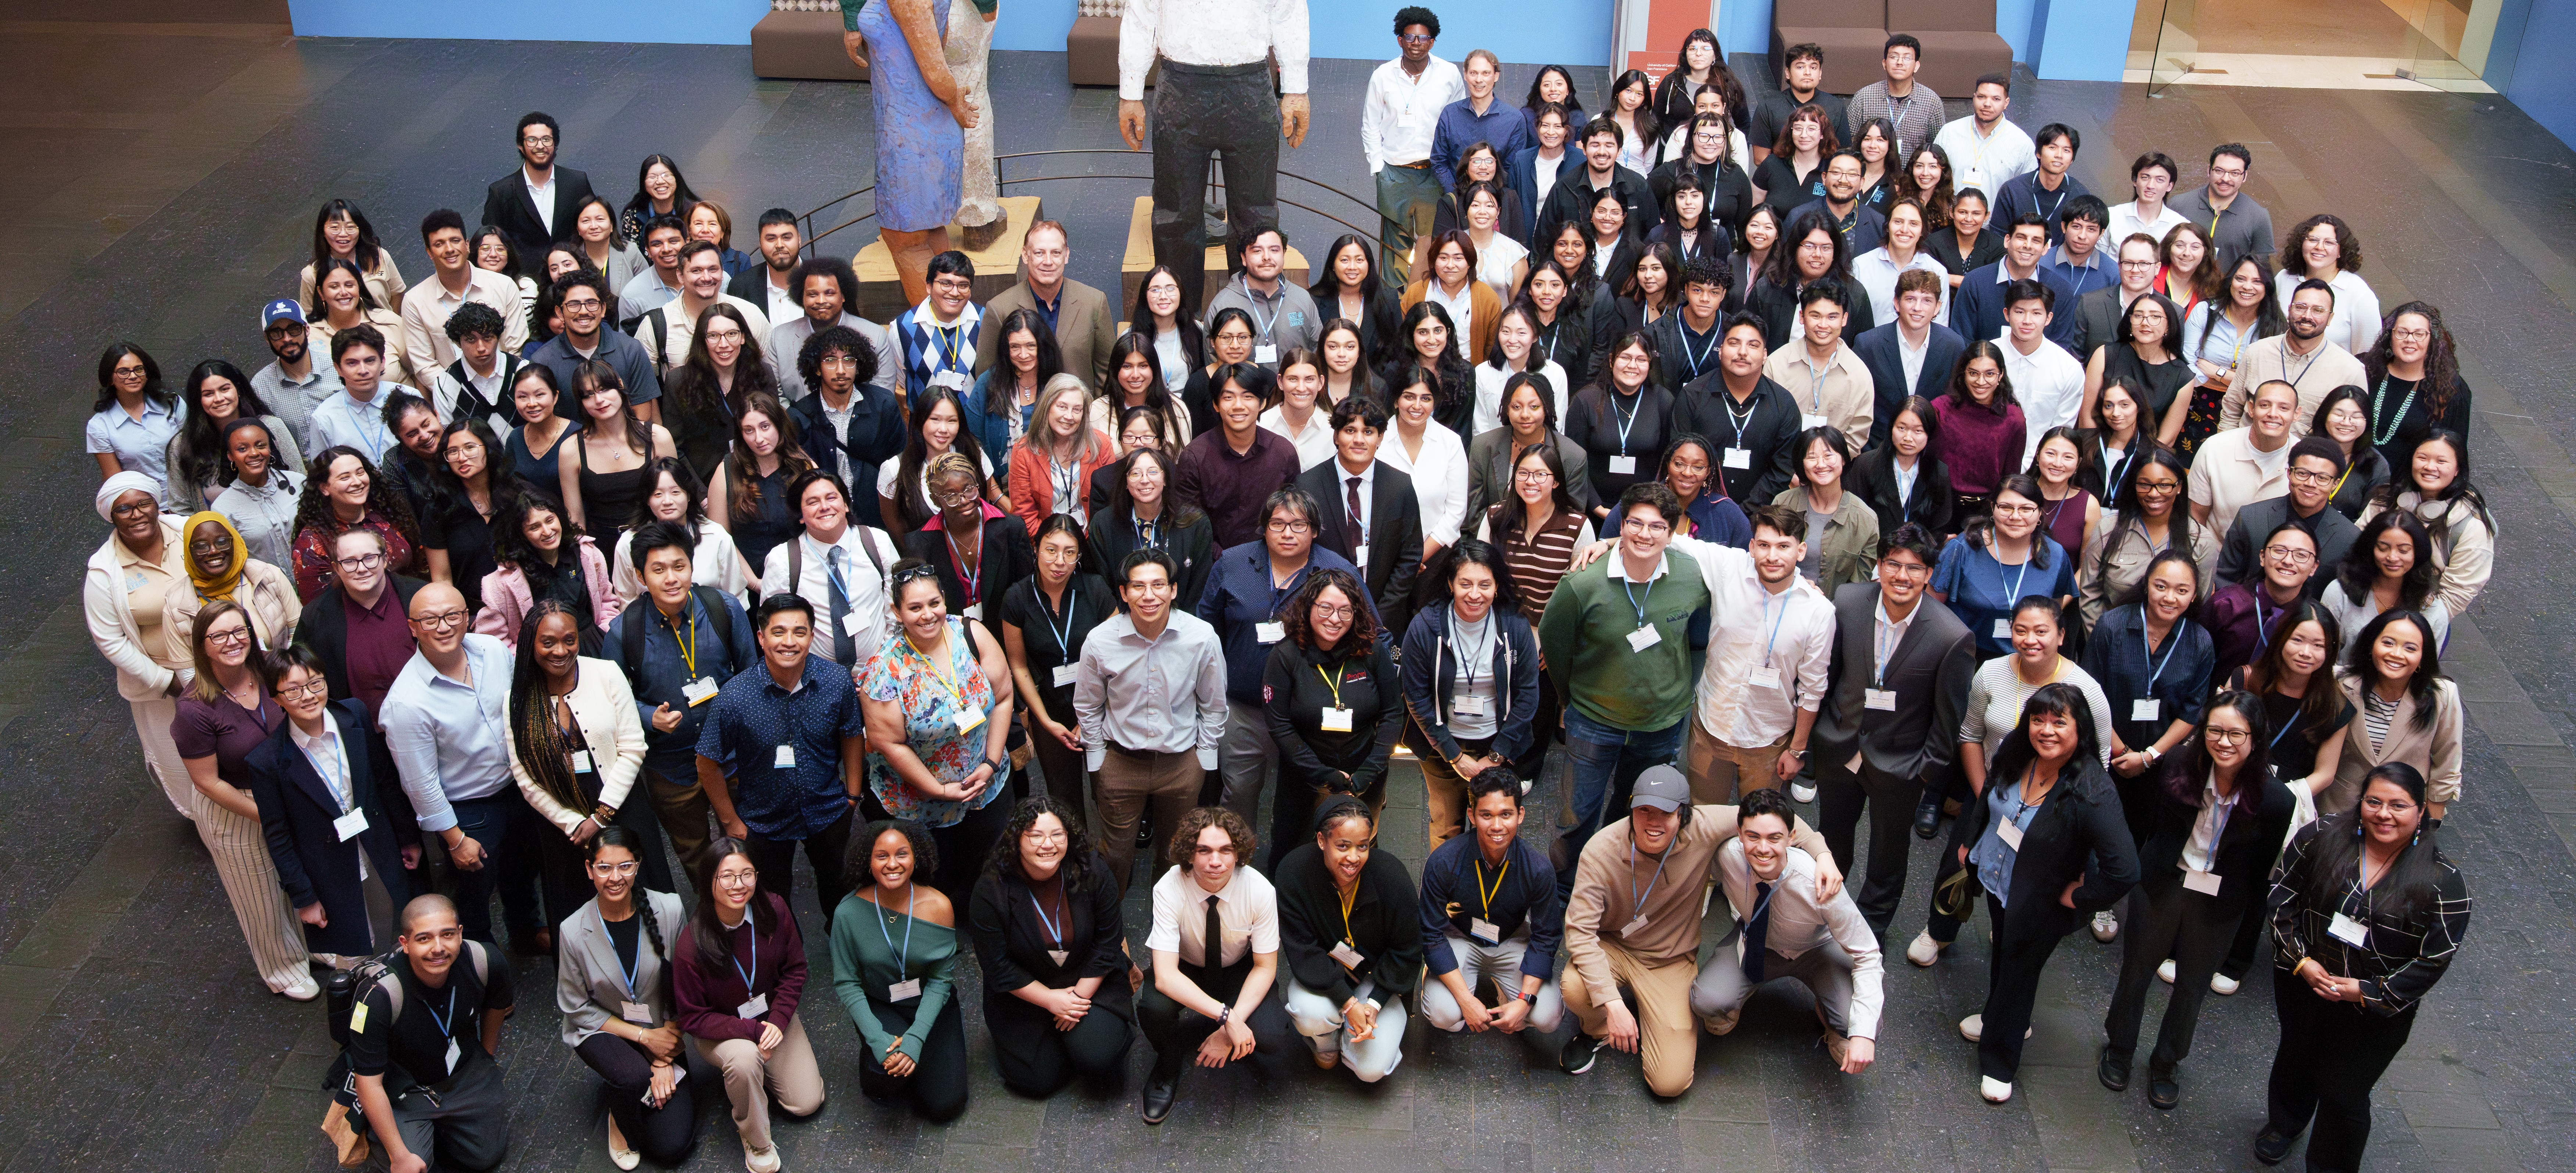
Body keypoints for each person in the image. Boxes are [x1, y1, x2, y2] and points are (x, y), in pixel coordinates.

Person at [1556, 765, 1839, 1093]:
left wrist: (1823, 855)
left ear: (1684, 814)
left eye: (1665, 813)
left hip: (1669, 961)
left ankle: (1647, 1019)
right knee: (1576, 987)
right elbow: (1579, 932)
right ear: (1631, 808)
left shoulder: (1704, 826)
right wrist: (1613, 1004)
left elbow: (1776, 819)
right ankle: (1597, 1030)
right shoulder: (1601, 850)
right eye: (1643, 810)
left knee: (1670, 1085)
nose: (1653, 822)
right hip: (1613, 947)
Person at [2257, 762, 2470, 1169]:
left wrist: (2369, 992)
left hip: (2373, 1010)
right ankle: (2285, 1123)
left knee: (2344, 1094)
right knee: (2297, 1054)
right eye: (2374, 801)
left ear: (2422, 812)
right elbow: (2282, 894)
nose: (2383, 814)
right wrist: (2299, 960)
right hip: (2306, 982)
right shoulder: (2321, 836)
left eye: (2398, 805)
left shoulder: (2443, 883)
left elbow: (2433, 959)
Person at [1935, 684, 2139, 1103]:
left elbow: (2126, 870)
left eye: (2059, 722)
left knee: (2020, 970)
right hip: (1997, 877)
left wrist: (2078, 898)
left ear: (2081, 730)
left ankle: (2000, 1058)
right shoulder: (2018, 746)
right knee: (2007, 956)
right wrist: (1971, 839)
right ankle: (1999, 1016)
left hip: (2041, 901)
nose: (2046, 730)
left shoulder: (2092, 789)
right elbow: (1991, 788)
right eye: (2039, 719)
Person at [2097, 692, 2295, 1110]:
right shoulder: (2175, 768)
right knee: (2136, 971)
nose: (2223, 742)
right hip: (2164, 882)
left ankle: (2167, 1062)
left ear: (2256, 740)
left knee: (2192, 987)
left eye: (2236, 734)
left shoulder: (2276, 800)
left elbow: (2261, 868)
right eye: (2215, 730)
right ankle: (2119, 1048)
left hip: (2219, 899)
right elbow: (2153, 825)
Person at [1807, 522, 1976, 925]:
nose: (1903, 576)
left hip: (1901, 766)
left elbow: (1947, 720)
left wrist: (1923, 774)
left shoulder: (1952, 636)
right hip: (1841, 748)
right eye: (1893, 564)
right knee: (1831, 843)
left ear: (1929, 574)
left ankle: (1870, 937)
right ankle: (1820, 919)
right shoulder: (1847, 602)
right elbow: (1828, 676)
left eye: (1915, 568)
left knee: (1886, 860)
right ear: (1878, 566)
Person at [1537, 482, 1710, 860]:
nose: (1644, 534)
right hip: (1595, 721)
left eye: (1656, 527)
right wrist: (1571, 700)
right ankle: (1566, 890)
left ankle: (1618, 877)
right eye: (1635, 523)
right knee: (1576, 815)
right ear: (1622, 523)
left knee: (1637, 811)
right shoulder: (1584, 581)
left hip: (1661, 725)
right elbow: (1554, 642)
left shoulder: (1693, 576)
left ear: (1671, 532)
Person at [379, 582, 540, 949]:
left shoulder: (493, 651)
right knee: (474, 896)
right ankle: (483, 967)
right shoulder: (406, 702)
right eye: (430, 619)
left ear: (467, 618)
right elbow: (420, 783)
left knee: (522, 871)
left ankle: (526, 933)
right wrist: (454, 840)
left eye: (453, 615)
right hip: (470, 812)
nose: (443, 626)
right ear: (412, 627)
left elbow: (522, 703)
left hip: (518, 788)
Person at [1115, 0, 1311, 299]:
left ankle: (1254, 311)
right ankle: (1178, 318)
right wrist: (1130, 92)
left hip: (1250, 87)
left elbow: (1289, 13)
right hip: (1180, 88)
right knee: (1175, 215)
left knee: (1256, 213)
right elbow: (1141, 15)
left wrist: (1296, 89)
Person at [170, 600, 316, 997]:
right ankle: (283, 968)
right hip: (236, 804)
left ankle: (315, 945)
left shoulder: (271, 668)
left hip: (291, 788)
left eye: (239, 631)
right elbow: (207, 783)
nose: (232, 641)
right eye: (218, 636)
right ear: (203, 646)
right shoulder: (194, 708)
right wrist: (270, 816)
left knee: (308, 870)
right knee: (261, 893)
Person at [602, 521, 759, 888]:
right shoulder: (624, 631)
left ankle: (750, 914)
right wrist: (647, 717)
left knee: (746, 844)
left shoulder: (723, 608)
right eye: (658, 570)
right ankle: (713, 916)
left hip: (732, 758)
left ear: (691, 566)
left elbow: (752, 674)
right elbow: (611, 699)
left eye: (679, 566)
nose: (671, 578)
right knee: (694, 854)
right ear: (641, 576)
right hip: (670, 765)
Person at [694, 593, 868, 921]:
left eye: (800, 632)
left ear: (812, 636)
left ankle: (845, 951)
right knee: (773, 907)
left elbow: (851, 734)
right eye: (779, 632)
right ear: (761, 638)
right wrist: (731, 821)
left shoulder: (835, 681)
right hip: (763, 820)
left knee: (842, 894)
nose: (789, 642)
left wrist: (852, 797)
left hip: (828, 811)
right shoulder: (735, 695)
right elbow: (706, 760)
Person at [859, 560, 1015, 905]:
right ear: (897, 612)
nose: (928, 615)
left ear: (945, 600)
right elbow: (889, 743)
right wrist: (941, 790)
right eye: (914, 608)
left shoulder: (972, 634)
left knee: (988, 868)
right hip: (922, 804)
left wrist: (990, 763)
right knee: (938, 877)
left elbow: (1003, 698)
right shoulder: (884, 669)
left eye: (934, 604)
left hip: (987, 785)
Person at [1696, 786, 1884, 1071]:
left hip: (1817, 949)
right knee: (1706, 1001)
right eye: (1753, 836)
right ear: (1739, 833)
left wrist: (1863, 1034)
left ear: (1792, 837)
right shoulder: (1727, 856)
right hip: (1757, 943)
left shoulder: (1818, 882)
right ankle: (1740, 991)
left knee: (1854, 1021)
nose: (1763, 848)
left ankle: (1832, 1016)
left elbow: (1868, 955)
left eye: (1775, 838)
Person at [248, 643, 413, 968]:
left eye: (315, 683)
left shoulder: (354, 714)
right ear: (277, 698)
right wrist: (305, 898)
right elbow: (278, 837)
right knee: (353, 952)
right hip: (328, 867)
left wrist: (408, 837)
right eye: (293, 690)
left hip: (377, 844)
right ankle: (363, 1011)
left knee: (399, 930)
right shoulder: (266, 761)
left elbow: (385, 781)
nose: (308, 696)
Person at [1076, 549, 1230, 895]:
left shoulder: (1201, 637)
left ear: (1173, 590)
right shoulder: (1100, 641)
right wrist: (1098, 758)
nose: (1149, 596)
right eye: (1138, 587)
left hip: (1181, 764)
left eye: (1159, 585)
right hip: (1120, 762)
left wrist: (1203, 758)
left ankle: (1168, 926)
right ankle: (1108, 930)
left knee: (1175, 854)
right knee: (1115, 854)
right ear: (1124, 593)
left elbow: (1214, 704)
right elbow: (1087, 705)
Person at [503, 601, 654, 950]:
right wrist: (573, 824)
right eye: (549, 642)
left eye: (569, 640)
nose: (561, 651)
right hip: (563, 829)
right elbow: (524, 775)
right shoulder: (517, 698)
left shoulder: (607, 673)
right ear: (531, 644)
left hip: (621, 806)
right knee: (577, 909)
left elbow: (633, 748)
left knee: (639, 896)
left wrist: (601, 816)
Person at [2085, 553, 2218, 935]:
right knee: (2102, 822)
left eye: (2181, 590)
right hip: (2107, 745)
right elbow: (2091, 693)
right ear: (2147, 585)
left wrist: (2150, 756)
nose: (2169, 597)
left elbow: (2193, 711)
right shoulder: (2113, 625)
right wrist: (2122, 751)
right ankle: (2096, 895)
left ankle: (2124, 900)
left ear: (2194, 596)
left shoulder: (2199, 641)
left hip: (2162, 757)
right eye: (2161, 586)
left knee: (2143, 828)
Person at [968, 796, 1137, 1097]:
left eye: (1057, 834)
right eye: (1035, 835)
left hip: (1088, 978)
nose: (1048, 844)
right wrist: (1049, 1000)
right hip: (1026, 988)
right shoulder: (991, 890)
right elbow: (997, 966)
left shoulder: (1093, 871)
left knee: (1098, 1060)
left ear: (1068, 837)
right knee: (1037, 1083)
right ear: (1016, 840)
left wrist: (1076, 1000)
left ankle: (1083, 1042)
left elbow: (1108, 941)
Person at [673, 838, 823, 1173]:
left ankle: (758, 1075)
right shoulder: (691, 945)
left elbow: (795, 970)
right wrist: (753, 1033)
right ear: (708, 880)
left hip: (772, 1020)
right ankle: (756, 1140)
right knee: (743, 1061)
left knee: (806, 1104)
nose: (738, 886)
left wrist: (779, 1021)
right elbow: (694, 1017)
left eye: (747, 874)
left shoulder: (775, 909)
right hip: (723, 1030)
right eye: (726, 877)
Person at [554, 827, 697, 1169]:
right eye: (604, 868)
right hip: (603, 1030)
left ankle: (631, 1083)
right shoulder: (572, 931)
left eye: (625, 867)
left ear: (638, 866)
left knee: (671, 1147)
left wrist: (663, 1057)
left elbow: (682, 985)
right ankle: (619, 1112)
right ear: (590, 870)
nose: (615, 878)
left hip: (663, 1029)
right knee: (632, 1078)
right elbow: (575, 1006)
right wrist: (646, 1040)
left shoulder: (670, 909)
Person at [1136, 806, 1286, 1124]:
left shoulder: (1260, 890)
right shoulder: (1168, 888)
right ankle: (1168, 1063)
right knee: (1152, 1008)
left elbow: (1265, 967)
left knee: (1271, 1036)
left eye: (1225, 850)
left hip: (1238, 970)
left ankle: (1217, 1033)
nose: (1215, 861)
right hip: (1185, 968)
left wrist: (1229, 1027)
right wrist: (1227, 1018)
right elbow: (1165, 976)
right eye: (1203, 850)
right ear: (1189, 854)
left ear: (1238, 854)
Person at [345, 896, 516, 1173]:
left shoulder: (487, 961)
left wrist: (486, 1057)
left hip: (463, 1074)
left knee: (485, 1157)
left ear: (460, 935)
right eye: (424, 939)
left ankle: (444, 1126)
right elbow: (368, 1083)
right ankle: (384, 1135)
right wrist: (400, 1157)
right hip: (405, 1090)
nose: (438, 949)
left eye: (447, 935)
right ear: (405, 944)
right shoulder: (377, 998)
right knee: (410, 1165)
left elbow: (497, 1007)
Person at [824, 819, 969, 1122]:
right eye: (882, 856)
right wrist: (878, 1040)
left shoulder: (940, 906)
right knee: (886, 1077)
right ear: (869, 861)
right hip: (881, 1004)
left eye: (902, 854)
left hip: (931, 1002)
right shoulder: (847, 913)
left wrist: (915, 1039)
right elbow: (848, 983)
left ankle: (919, 1061)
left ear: (917, 858)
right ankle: (880, 1066)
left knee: (944, 1107)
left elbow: (941, 981)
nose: (893, 864)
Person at [1402, 541, 1544, 844]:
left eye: (1485, 584)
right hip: (1442, 745)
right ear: (1451, 584)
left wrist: (1497, 754)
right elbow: (1416, 697)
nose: (1475, 594)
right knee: (1446, 827)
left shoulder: (1515, 626)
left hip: (1499, 743)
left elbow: (1529, 695)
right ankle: (1444, 889)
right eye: (1465, 583)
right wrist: (1455, 756)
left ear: (1496, 587)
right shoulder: (1425, 627)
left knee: (1494, 827)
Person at [1261, 569, 1403, 868]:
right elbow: (1280, 725)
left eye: (1345, 610)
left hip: (1365, 775)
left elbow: (1393, 714)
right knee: (1295, 852)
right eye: (1325, 608)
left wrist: (1370, 771)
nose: (1335, 618)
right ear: (1308, 607)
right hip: (1304, 776)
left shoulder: (1373, 651)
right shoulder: (1286, 656)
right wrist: (1323, 775)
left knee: (1357, 852)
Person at [1274, 797, 1420, 1080]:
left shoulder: (1391, 875)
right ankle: (1326, 1041)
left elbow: (1408, 949)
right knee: (1310, 1013)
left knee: (1370, 1071)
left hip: (1379, 980)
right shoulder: (1293, 872)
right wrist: (1348, 1004)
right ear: (1321, 840)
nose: (1354, 858)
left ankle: (1353, 1038)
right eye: (1343, 846)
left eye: (1362, 846)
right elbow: (1303, 950)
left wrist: (1373, 1005)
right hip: (1326, 974)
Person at [1416, 771, 1563, 1047]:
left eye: (1506, 815)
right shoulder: (1444, 861)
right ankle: (1446, 979)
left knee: (1547, 1018)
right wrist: (1466, 1001)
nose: (1497, 826)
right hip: (1460, 936)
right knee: (1444, 1015)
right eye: (1487, 815)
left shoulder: (1538, 869)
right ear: (1472, 816)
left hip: (1512, 938)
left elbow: (1546, 937)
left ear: (1520, 815)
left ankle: (1507, 995)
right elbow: (1430, 933)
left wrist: (1524, 1002)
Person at [87, 474, 199, 817]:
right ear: (111, 516)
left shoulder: (192, 533)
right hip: (163, 687)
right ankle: (206, 827)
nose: (136, 514)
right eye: (124, 509)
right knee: (180, 759)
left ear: (156, 504)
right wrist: (169, 683)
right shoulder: (104, 572)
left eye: (143, 504)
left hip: (224, 666)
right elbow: (111, 641)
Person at [1297, 395, 1423, 636]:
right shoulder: (1308, 486)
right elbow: (1302, 555)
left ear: (1380, 438)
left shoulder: (1400, 486)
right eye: (1350, 430)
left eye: (1368, 432)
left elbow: (1410, 554)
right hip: (1323, 617)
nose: (1358, 440)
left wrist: (1379, 614)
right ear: (1336, 436)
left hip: (1384, 618)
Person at [763, 469, 903, 671]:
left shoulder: (876, 543)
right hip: (816, 679)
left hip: (883, 670)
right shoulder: (783, 560)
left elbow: (897, 608)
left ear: (846, 504)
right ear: (800, 516)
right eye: (813, 502)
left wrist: (883, 666)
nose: (824, 507)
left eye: (831, 498)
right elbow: (774, 628)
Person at [2330, 610, 2462, 820]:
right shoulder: (2339, 683)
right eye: (2388, 643)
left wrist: (2430, 825)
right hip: (2339, 810)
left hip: (2400, 820)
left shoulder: (2443, 695)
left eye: (2410, 648)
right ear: (2371, 645)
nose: (2397, 654)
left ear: (2422, 657)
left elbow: (2447, 767)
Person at [290, 527, 426, 725]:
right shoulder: (315, 618)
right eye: (349, 562)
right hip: (366, 734)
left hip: (432, 719)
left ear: (385, 559)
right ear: (336, 568)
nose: (361, 569)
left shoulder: (419, 596)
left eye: (370, 558)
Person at [1933, 473, 2076, 657]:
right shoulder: (1961, 549)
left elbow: (2052, 616)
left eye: (2026, 509)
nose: (2015, 517)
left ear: (2040, 513)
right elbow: (1933, 610)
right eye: (2006, 507)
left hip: (2028, 659)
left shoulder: (2056, 556)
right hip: (1967, 657)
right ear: (1993, 508)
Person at [1170, 362, 1305, 550]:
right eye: (1228, 397)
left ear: (1263, 403)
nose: (1238, 406)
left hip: (1273, 558)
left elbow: (1294, 515)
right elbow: (1191, 526)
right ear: (1216, 405)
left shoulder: (1283, 452)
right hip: (1215, 565)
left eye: (1248, 396)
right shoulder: (1195, 457)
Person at [2360, 430, 2492, 619]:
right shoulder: (2386, 500)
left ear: (2457, 469)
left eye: (2441, 461)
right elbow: (2357, 548)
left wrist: (2413, 628)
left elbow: (2456, 596)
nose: (2430, 467)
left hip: (2420, 622)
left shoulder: (2471, 527)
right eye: (2422, 458)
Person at [2081, 449, 2216, 627]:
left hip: (2171, 645)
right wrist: (2105, 642)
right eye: (2144, 485)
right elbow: (2090, 595)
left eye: (2164, 485)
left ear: (2180, 487)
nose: (2153, 494)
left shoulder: (2201, 540)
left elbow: (2200, 606)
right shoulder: (2107, 529)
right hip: (2112, 638)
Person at [904, 451, 1037, 627]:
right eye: (951, 496)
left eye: (969, 489)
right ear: (936, 500)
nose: (964, 500)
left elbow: (1026, 592)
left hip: (1006, 632)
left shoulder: (1012, 528)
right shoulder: (919, 544)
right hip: (952, 638)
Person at [472, 495, 621, 652]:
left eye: (550, 520)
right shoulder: (501, 582)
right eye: (534, 527)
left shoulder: (588, 555)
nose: (547, 531)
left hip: (593, 644)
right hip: (540, 660)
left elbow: (607, 602)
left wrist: (606, 633)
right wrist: (525, 663)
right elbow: (493, 642)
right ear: (521, 534)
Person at [2215, 436, 2359, 591]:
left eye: (2322, 478)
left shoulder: (2350, 537)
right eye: (2303, 473)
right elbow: (2225, 579)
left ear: (2335, 484)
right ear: (2289, 473)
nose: (2311, 484)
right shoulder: (2251, 517)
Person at [2220, 280, 2365, 433]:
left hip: (2306, 454)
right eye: (2300, 307)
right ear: (2289, 311)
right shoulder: (2257, 352)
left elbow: (2354, 430)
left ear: (2330, 318)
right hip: (2247, 451)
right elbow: (2231, 409)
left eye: (2318, 310)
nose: (2307, 316)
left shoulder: (2351, 371)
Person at [402, 209, 530, 378]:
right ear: (429, 252)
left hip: (508, 386)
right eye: (439, 244)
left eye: (455, 241)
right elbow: (425, 366)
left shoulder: (503, 286)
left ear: (467, 245)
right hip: (454, 396)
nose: (449, 249)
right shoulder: (415, 301)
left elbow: (517, 348)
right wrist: (463, 395)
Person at [161, 360, 300, 514]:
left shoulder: (271, 427)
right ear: (198, 401)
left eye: (225, 389)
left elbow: (301, 481)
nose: (219, 398)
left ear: (238, 390)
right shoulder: (183, 446)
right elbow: (180, 508)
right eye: (208, 394)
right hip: (221, 536)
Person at [527, 271, 666, 423]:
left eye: (592, 303)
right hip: (570, 444)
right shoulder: (543, 361)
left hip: (627, 441)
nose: (584, 312)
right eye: (574, 305)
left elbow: (643, 414)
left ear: (603, 309)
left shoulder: (630, 349)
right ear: (560, 313)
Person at [1565, 331, 1678, 513]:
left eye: (1641, 359)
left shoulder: (1662, 400)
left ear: (1650, 364)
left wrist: (1650, 505)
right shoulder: (1586, 400)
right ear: (1611, 361)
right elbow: (1573, 460)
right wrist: (1596, 507)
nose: (1633, 366)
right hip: (1592, 509)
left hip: (1647, 510)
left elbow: (1667, 459)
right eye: (1625, 357)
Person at [1087, 445, 1216, 603]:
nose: (1145, 480)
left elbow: (1200, 586)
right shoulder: (1104, 524)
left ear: (1166, 479)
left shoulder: (1195, 522)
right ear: (1126, 483)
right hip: (1123, 619)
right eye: (1135, 473)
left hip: (1182, 618)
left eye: (1153, 472)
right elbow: (1102, 584)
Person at [769, 257, 905, 403]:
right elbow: (775, 398)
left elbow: (882, 397)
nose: (821, 301)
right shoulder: (780, 338)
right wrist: (798, 423)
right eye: (812, 294)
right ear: (801, 297)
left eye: (829, 293)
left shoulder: (874, 336)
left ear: (844, 296)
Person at [1854, 269, 1966, 445]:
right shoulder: (1868, 344)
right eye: (1910, 299)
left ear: (1938, 307)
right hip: (1877, 448)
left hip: (1933, 451)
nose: (1918, 308)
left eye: (1927, 301)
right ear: (1897, 304)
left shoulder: (1954, 345)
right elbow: (1856, 405)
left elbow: (1957, 405)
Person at [167, 511, 301, 652]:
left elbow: (298, 631)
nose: (213, 551)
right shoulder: (176, 603)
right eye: (201, 545)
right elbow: (188, 671)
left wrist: (283, 668)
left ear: (234, 541)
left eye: (222, 542)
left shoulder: (268, 575)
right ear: (189, 551)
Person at [1763, 284, 1875, 453]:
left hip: (1831, 472)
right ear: (1802, 317)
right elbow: (1764, 425)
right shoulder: (1776, 365)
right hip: (1779, 472)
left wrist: (1824, 467)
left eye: (1832, 317)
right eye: (1815, 316)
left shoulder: (1859, 375)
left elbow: (1856, 437)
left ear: (1844, 319)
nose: (1823, 325)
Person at [2322, 510, 2448, 654]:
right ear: (2371, 548)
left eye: (2404, 551)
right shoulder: (2339, 593)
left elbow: (2426, 669)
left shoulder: (2433, 610)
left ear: (2418, 553)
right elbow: (2323, 656)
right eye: (2383, 548)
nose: (2392, 557)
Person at [2208, 524, 2321, 683]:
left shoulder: (2315, 619)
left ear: (2314, 567)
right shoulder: (2227, 604)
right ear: (2262, 557)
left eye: (2301, 555)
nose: (2288, 561)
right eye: (2279, 551)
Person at [1537, 117, 1657, 262]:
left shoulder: (1637, 186)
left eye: (1609, 145)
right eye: (1595, 145)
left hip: (1626, 275)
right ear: (1584, 150)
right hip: (1575, 275)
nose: (1602, 152)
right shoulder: (1564, 187)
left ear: (1619, 151)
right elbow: (1544, 240)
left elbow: (1652, 237)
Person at [1951, 216, 2078, 352]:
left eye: (2036, 240)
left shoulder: (2061, 290)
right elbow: (1962, 341)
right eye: (2021, 238)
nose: (2028, 245)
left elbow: (2061, 347)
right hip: (1983, 370)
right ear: (2007, 241)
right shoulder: (1975, 282)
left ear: (2045, 249)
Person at [2191, 379, 2298, 538]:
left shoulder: (2304, 458)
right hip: (2216, 555)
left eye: (2284, 408)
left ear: (2297, 414)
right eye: (2264, 405)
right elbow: (2196, 518)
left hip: (2279, 559)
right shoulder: (2215, 448)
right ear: (2251, 409)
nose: (2273, 414)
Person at [1774, 427, 1877, 593]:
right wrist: (1797, 583)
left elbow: (1857, 589)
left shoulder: (1865, 519)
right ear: (1802, 464)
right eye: (1812, 457)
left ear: (1844, 459)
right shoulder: (1783, 503)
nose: (1821, 465)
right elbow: (1770, 560)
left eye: (1829, 456)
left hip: (1833, 612)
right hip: (1782, 599)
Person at [1009, 376, 1116, 534]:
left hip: (1093, 542)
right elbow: (1024, 515)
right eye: (1062, 407)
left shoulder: (1102, 445)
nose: (1069, 416)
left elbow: (1111, 505)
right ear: (1047, 407)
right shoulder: (1024, 451)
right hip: (1046, 544)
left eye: (1077, 409)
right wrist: (1055, 546)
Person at [1209, 221, 1326, 365]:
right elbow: (1213, 362)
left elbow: (1318, 350)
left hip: (1296, 387)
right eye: (1257, 251)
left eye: (1274, 250)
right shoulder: (1223, 304)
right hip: (1244, 387)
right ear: (1244, 258)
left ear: (1284, 254)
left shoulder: (1302, 298)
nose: (1267, 257)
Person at [480, 112, 593, 259]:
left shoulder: (577, 182)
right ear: (521, 146)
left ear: (555, 144)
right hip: (523, 280)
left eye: (546, 139)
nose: (540, 146)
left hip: (571, 273)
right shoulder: (501, 192)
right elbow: (490, 241)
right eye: (532, 140)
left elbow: (594, 224)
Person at [2086, 286, 2192, 441]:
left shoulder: (2183, 376)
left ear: (2169, 326)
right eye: (2138, 316)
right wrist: (2095, 459)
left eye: (2155, 317)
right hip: (2097, 450)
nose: (2145, 323)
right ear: (2130, 323)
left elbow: (2166, 440)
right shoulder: (2104, 355)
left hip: (2147, 457)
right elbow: (2087, 418)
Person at [2273, 214, 2380, 355]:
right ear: (2301, 244)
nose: (2319, 247)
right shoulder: (2283, 278)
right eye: (2313, 240)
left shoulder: (2359, 294)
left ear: (2341, 251)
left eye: (2329, 242)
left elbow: (2368, 356)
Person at [1847, 396, 1955, 537]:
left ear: (1929, 434)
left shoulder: (1939, 473)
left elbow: (1940, 525)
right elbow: (1853, 516)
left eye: (1918, 431)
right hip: (1872, 551)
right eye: (1902, 428)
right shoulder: (1865, 465)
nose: (1908, 438)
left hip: (1918, 556)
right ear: (1891, 427)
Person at [254, 300, 343, 458]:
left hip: (348, 460)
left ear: (307, 330)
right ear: (268, 340)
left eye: (294, 329)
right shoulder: (260, 386)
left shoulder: (337, 368)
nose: (287, 339)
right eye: (276, 333)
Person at [1850, 199, 1950, 331]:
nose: (1904, 230)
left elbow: (1940, 328)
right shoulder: (1861, 267)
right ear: (1887, 226)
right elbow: (1850, 321)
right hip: (1868, 349)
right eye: (1898, 222)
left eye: (1914, 224)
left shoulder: (1937, 271)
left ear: (1923, 231)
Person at [1931, 72, 2033, 200]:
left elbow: (2027, 192)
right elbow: (1932, 175)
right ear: (1974, 98)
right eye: (1981, 97)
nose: (1987, 104)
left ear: (2006, 103)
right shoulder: (1950, 132)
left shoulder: (2022, 143)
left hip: (1996, 220)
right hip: (1951, 218)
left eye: (1996, 99)